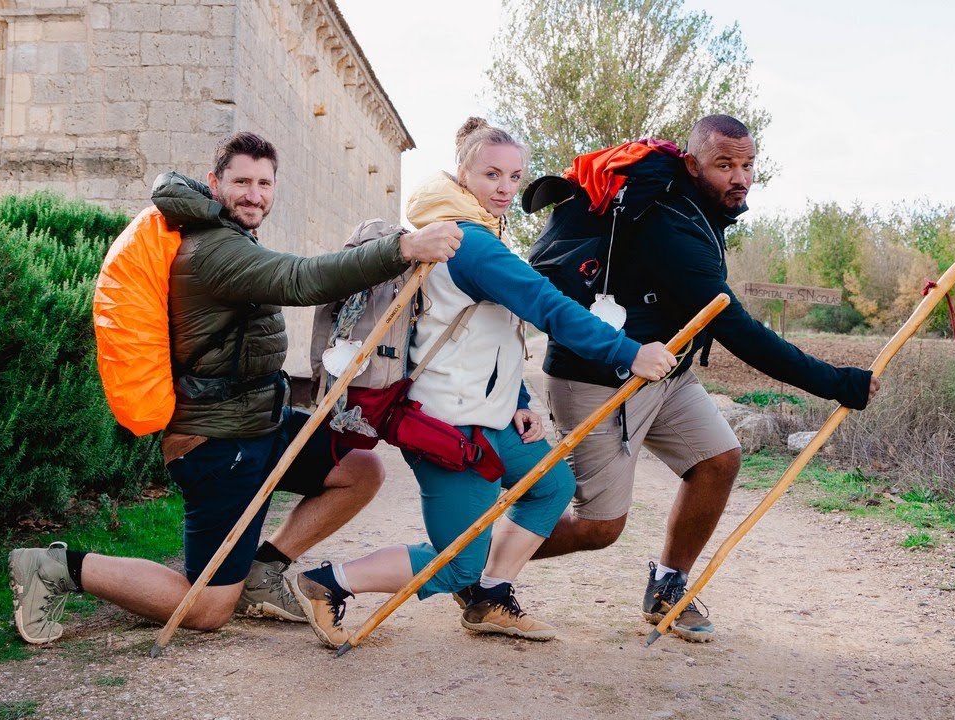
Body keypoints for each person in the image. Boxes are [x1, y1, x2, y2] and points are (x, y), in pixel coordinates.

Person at [7, 132, 463, 644]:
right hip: (217, 443)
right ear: (214, 183)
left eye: (264, 183)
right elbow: (300, 279)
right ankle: (54, 566)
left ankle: (260, 573)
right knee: (203, 609)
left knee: (360, 470)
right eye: (241, 181)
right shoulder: (211, 250)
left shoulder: (229, 235)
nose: (254, 194)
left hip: (260, 426)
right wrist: (402, 248)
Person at [286, 118, 679, 649]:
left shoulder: (471, 232)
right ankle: (328, 583)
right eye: (491, 174)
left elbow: (483, 333)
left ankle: (491, 597)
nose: (504, 188)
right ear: (463, 173)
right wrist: (630, 353)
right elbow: (547, 308)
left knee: (552, 485)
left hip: (488, 414)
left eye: (515, 176)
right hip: (447, 424)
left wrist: (517, 398)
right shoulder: (469, 242)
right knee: (454, 565)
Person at [532, 114, 880, 642]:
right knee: (599, 527)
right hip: (601, 379)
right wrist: (836, 382)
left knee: (718, 460)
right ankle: (469, 563)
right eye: (724, 165)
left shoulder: (698, 208)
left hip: (667, 372)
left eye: (747, 165)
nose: (739, 177)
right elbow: (736, 328)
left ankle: (668, 585)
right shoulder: (671, 224)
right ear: (692, 165)